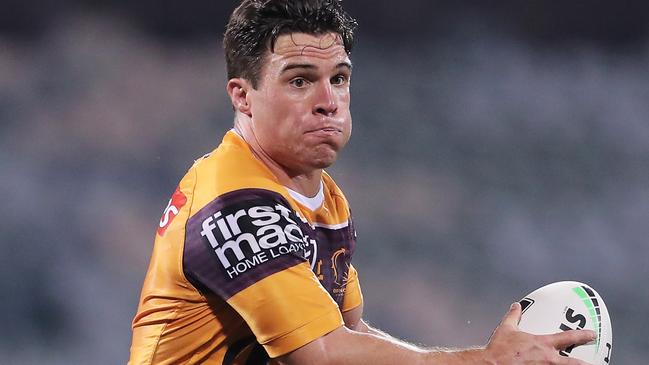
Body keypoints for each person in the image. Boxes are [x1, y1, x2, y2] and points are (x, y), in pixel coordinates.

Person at [128, 0, 595, 364]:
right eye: (299, 81)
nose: (328, 100)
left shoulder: (321, 196)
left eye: (340, 78)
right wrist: (485, 362)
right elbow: (324, 354)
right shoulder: (234, 203)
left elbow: (352, 336)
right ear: (243, 96)